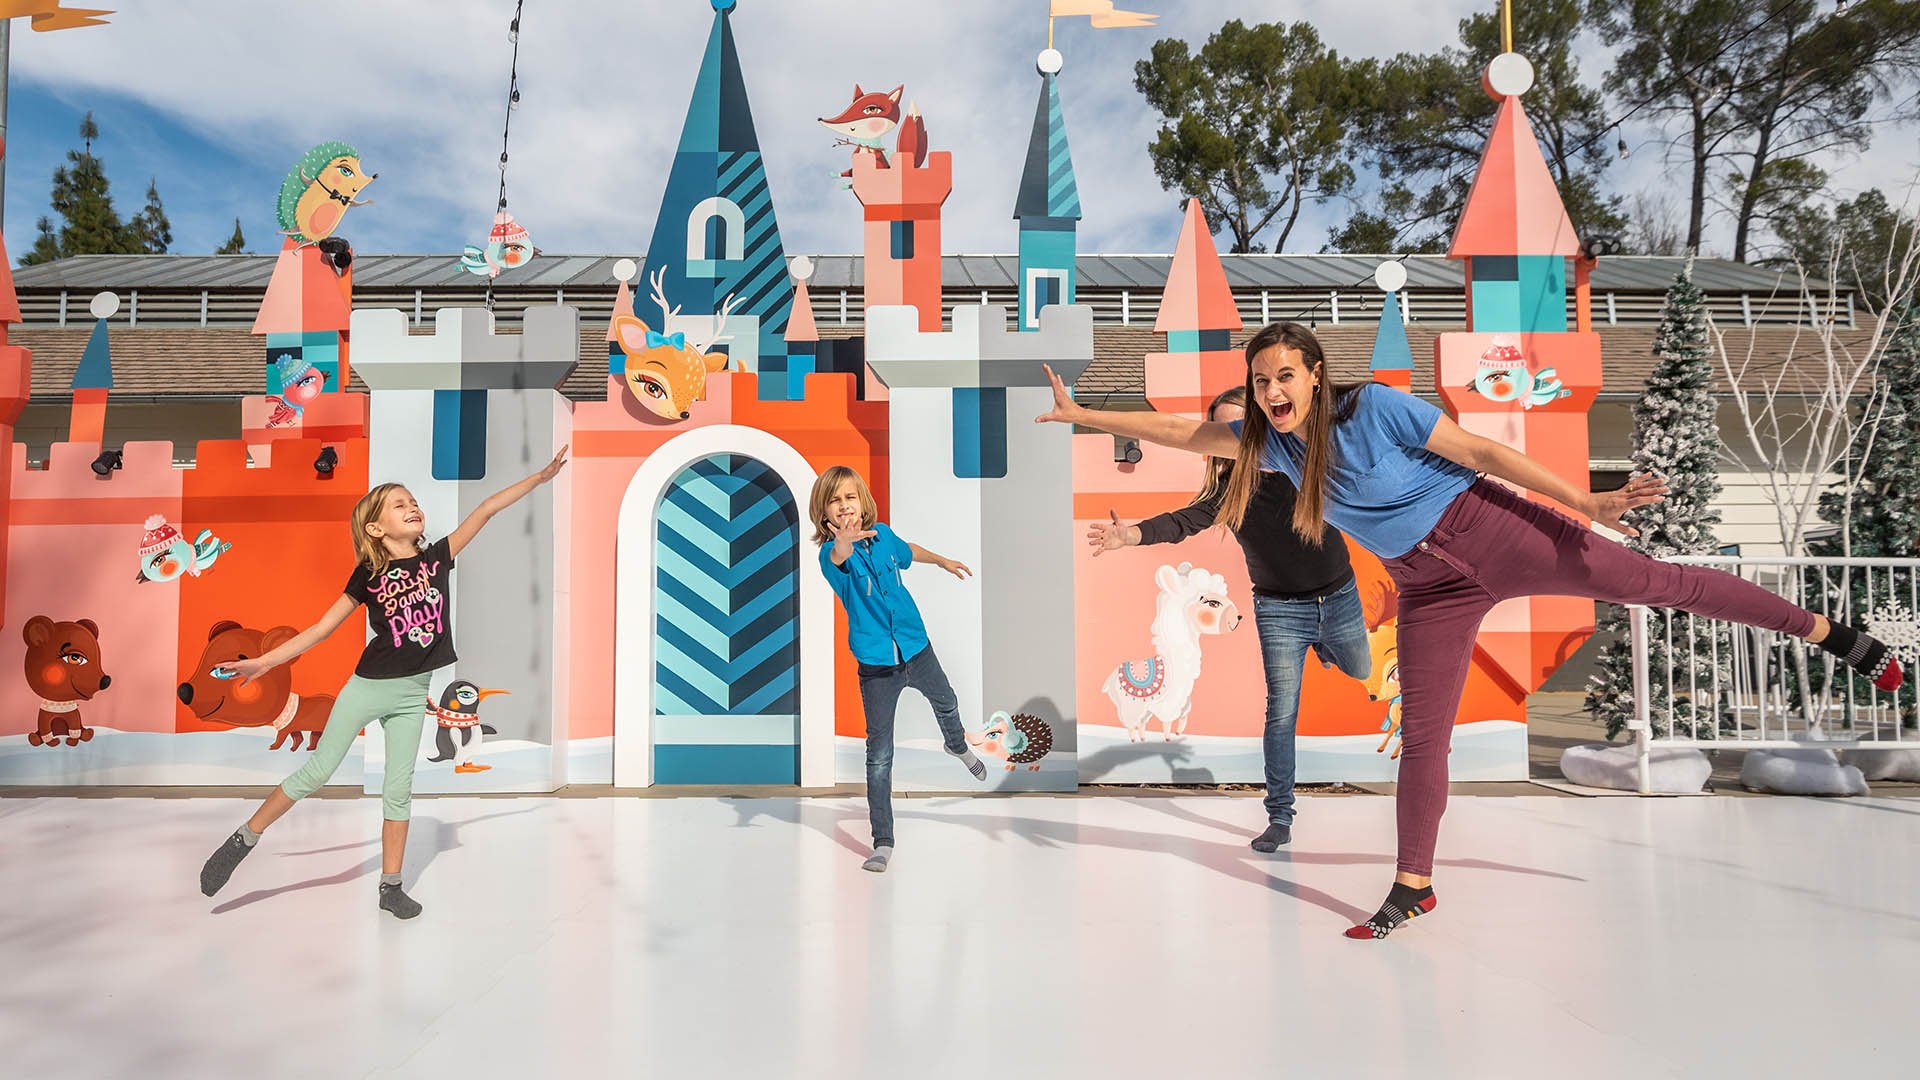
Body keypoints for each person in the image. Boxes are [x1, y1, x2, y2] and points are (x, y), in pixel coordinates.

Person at [1039, 321, 1904, 941]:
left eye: (1284, 378)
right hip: (1429, 585)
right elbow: (1177, 430)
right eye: (1261, 381)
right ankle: (1414, 886)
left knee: (1661, 585)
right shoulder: (1268, 448)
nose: (1273, 393)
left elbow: (1486, 456)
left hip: (1500, 531)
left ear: (1314, 374)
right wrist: (1084, 417)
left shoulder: (1374, 408)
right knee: (1424, 736)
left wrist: (1586, 502)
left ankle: (1831, 634)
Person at [197, 449, 570, 919]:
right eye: (399, 504)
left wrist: (539, 477)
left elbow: (486, 509)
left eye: (413, 501)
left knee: (399, 788)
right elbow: (319, 630)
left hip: (414, 694)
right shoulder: (368, 576)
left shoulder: (437, 559)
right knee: (316, 773)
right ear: (375, 529)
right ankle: (243, 838)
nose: (412, 506)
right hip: (367, 688)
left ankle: (390, 887)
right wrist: (263, 664)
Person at [1088, 384, 1370, 852]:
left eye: (1242, 424)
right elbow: (1182, 521)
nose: (1233, 435)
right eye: (1223, 428)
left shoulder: (1303, 463)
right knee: (1281, 712)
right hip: (1279, 607)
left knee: (1360, 669)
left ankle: (1323, 644)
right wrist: (1131, 535)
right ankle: (1279, 816)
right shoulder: (1228, 494)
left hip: (1338, 594)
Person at [810, 465, 988, 873]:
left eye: (850, 497)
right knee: (880, 756)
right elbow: (840, 556)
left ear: (863, 502)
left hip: (916, 648)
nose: (844, 506)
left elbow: (907, 550)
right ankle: (883, 841)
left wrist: (941, 560)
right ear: (825, 514)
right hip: (877, 669)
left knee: (947, 702)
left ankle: (956, 745)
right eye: (835, 501)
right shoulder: (831, 556)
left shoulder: (885, 535)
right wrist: (842, 543)